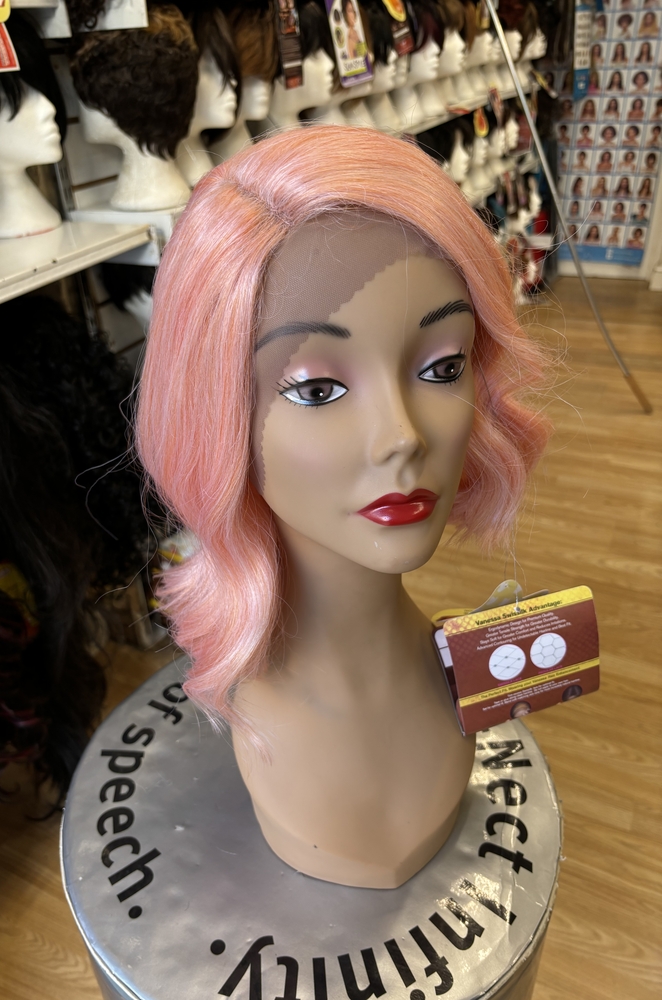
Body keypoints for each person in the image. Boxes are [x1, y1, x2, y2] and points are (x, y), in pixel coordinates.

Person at [135, 126, 552, 889]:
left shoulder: (449, 672)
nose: (401, 437)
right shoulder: (275, 724)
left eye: (443, 367)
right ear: (217, 415)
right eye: (318, 388)